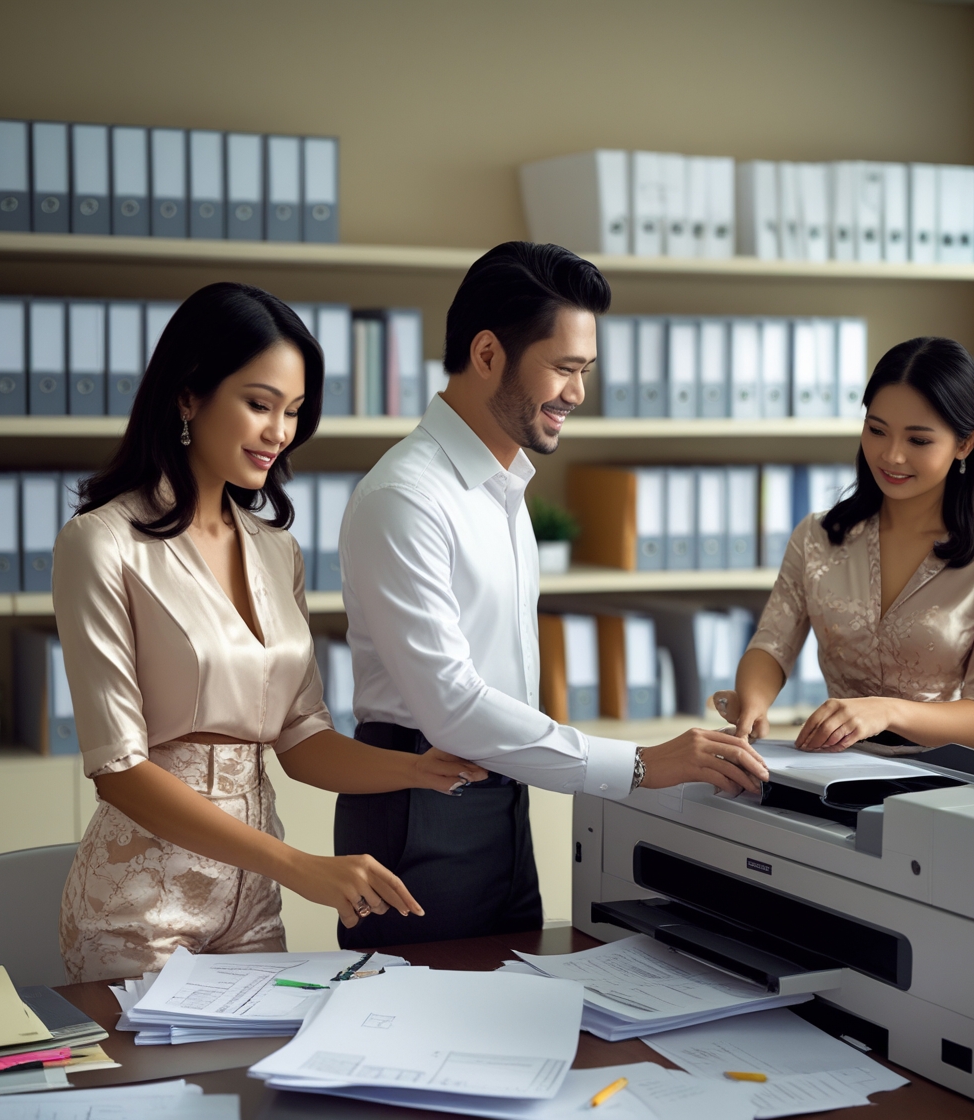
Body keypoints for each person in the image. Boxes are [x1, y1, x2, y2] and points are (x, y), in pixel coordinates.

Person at [336, 242, 770, 948]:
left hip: (502, 797)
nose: (577, 393)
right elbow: (452, 707)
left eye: (584, 371)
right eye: (563, 369)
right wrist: (639, 765)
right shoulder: (406, 499)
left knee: (509, 1014)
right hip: (421, 805)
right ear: (486, 354)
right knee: (420, 1029)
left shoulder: (503, 490)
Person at [53, 282, 489, 983]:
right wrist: (300, 866)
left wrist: (415, 771)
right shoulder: (100, 544)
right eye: (259, 404)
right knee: (158, 1093)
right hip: (138, 909)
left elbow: (300, 739)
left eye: (291, 411)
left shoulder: (275, 550)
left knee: (261, 1086)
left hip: (251, 905)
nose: (278, 432)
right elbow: (119, 773)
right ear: (189, 395)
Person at [717, 336, 974, 754]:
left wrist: (885, 711)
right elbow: (772, 646)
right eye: (877, 430)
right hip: (827, 767)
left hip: (935, 784)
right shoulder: (816, 538)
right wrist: (753, 703)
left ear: (964, 444)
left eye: (918, 440)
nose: (891, 455)